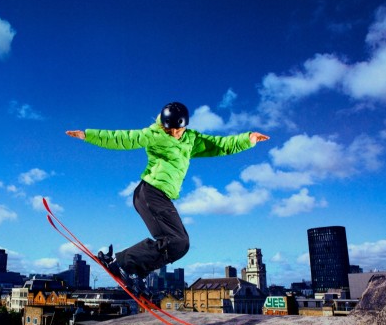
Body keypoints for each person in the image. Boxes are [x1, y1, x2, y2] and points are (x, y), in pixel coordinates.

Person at [66, 101, 269, 299]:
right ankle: (122, 263)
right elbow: (123, 138)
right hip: (149, 193)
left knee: (180, 244)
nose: (173, 134)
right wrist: (88, 135)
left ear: (184, 126)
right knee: (177, 240)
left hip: (162, 197)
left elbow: (220, 145)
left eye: (177, 130)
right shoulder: (154, 133)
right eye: (169, 130)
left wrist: (248, 138)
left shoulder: (192, 140)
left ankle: (135, 271)